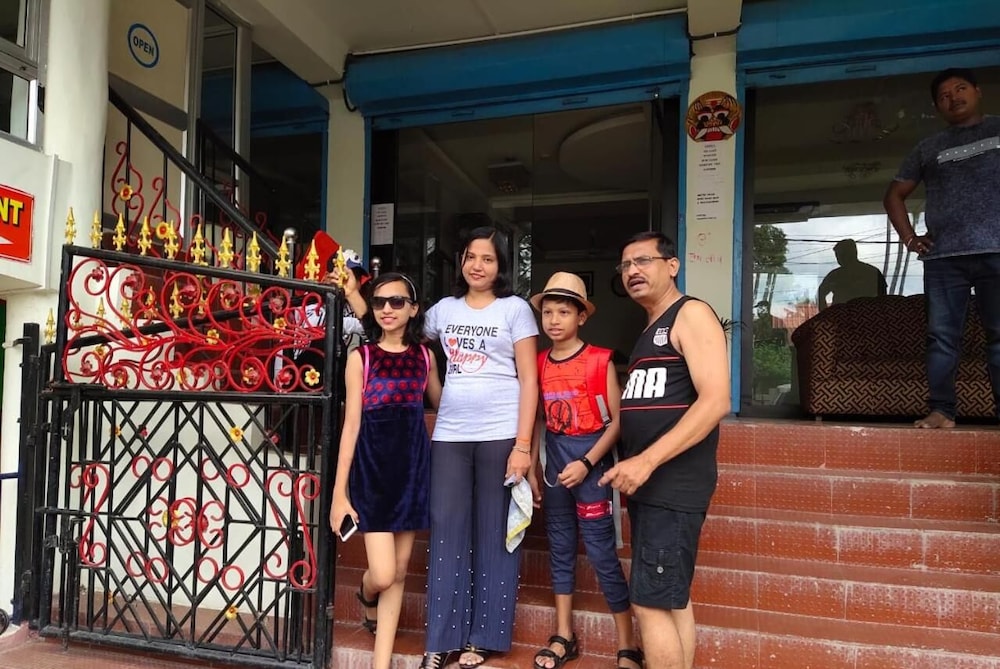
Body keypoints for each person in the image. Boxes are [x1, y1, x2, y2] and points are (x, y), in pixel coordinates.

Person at [340, 227, 539, 669]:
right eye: (471, 256)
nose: (478, 266)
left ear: (501, 265)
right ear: (460, 261)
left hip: (500, 431)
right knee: (446, 532)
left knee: (494, 532)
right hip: (449, 433)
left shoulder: (515, 309)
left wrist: (524, 445)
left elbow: (530, 379)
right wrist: (355, 295)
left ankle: (483, 638)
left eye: (488, 258)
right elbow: (394, 327)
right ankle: (442, 641)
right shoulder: (444, 310)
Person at [599, 231, 730, 669]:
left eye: (643, 261)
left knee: (650, 601)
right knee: (672, 598)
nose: (632, 271)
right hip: (651, 487)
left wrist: (647, 460)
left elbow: (716, 400)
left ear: (672, 265)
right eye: (625, 265)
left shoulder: (690, 314)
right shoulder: (650, 329)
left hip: (672, 485)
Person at [527, 272, 642, 669]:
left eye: (563, 312)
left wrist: (588, 462)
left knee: (599, 550)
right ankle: (564, 635)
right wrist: (533, 468)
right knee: (560, 547)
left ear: (581, 317)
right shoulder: (539, 363)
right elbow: (538, 419)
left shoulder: (599, 360)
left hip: (592, 465)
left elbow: (618, 422)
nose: (554, 320)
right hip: (555, 465)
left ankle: (628, 643)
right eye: (548, 312)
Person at [329, 271, 442, 669]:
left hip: (412, 471)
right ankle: (366, 593)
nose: (387, 309)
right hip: (373, 472)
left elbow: (444, 406)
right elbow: (350, 427)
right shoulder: (361, 358)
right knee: (382, 573)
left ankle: (381, 663)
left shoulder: (425, 357)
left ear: (413, 309)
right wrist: (339, 493)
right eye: (379, 302)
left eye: (397, 301)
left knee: (399, 572)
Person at [883, 67, 1000, 429]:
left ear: (977, 91)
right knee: (942, 339)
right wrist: (910, 239)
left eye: (960, 89)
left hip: (997, 252)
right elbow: (894, 195)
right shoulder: (928, 147)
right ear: (937, 106)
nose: (954, 98)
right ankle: (942, 412)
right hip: (945, 258)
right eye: (944, 96)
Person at [817, 238, 887, 311]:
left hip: (849, 314)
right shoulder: (873, 272)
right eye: (837, 255)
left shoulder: (835, 275)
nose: (839, 258)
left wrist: (826, 314)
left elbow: (883, 297)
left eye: (842, 254)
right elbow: (821, 292)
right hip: (864, 314)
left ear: (853, 253)